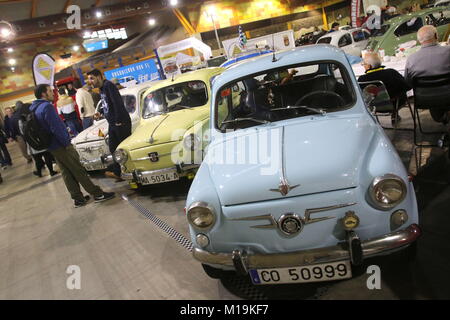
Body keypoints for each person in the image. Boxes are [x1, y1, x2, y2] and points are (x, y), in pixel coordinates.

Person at [30, 84, 115, 207]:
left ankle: (78, 198)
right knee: (78, 169)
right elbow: (56, 128)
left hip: (51, 146)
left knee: (66, 172)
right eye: (49, 91)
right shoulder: (46, 107)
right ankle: (97, 194)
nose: (53, 93)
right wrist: (66, 142)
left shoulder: (35, 108)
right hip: (61, 145)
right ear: (43, 94)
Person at [87, 69, 131, 181]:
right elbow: (108, 105)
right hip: (112, 124)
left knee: (124, 148)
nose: (90, 81)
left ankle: (130, 171)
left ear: (99, 77)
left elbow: (117, 103)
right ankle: (118, 172)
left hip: (120, 122)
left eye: (92, 78)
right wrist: (100, 112)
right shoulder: (102, 89)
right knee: (113, 148)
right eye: (89, 79)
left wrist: (118, 120)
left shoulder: (109, 86)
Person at [404, 25, 450, 123]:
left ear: (419, 41)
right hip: (448, 94)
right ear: (436, 35)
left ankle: (442, 118)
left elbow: (408, 83)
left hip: (425, 99)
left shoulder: (411, 59)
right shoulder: (448, 51)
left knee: (435, 97)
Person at [358, 52, 411, 124]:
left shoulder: (362, 80)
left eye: (364, 64)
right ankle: (394, 114)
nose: (363, 66)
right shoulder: (392, 73)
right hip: (396, 103)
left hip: (375, 107)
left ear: (369, 66)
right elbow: (407, 86)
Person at [18, 103, 59, 177]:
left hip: (32, 144)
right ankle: (51, 171)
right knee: (47, 156)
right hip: (42, 140)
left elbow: (22, 133)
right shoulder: (34, 115)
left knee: (37, 159)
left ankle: (39, 173)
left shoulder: (21, 121)